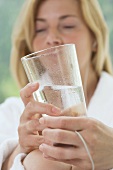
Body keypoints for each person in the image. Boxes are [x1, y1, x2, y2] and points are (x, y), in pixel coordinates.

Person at [0, 0, 113, 169]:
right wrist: (20, 151)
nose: (52, 38)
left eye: (67, 26)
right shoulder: (11, 112)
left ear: (95, 39)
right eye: (40, 29)